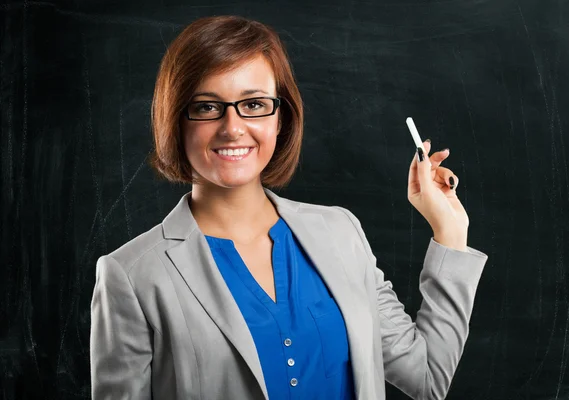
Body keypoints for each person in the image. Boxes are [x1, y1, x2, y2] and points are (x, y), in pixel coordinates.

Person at [90, 15, 488, 400]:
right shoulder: (131, 276)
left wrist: (449, 233)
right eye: (208, 107)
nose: (232, 127)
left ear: (280, 119)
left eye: (254, 104)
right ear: (176, 121)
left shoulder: (340, 232)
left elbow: (427, 378)